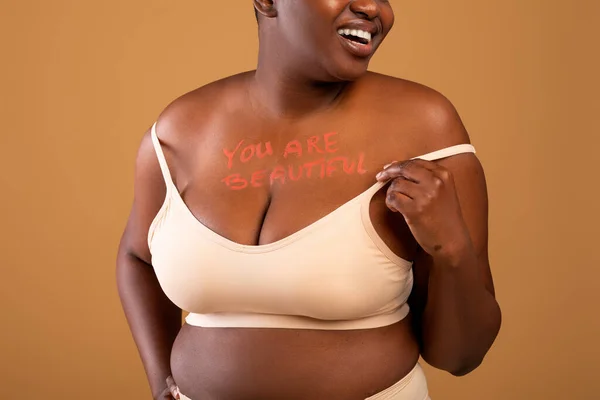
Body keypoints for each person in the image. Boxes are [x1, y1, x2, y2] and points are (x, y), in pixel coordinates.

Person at [116, 1, 502, 399]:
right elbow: (136, 257)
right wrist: (160, 379)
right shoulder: (177, 132)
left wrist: (451, 249)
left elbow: (462, 356)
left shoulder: (425, 126)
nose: (372, 7)